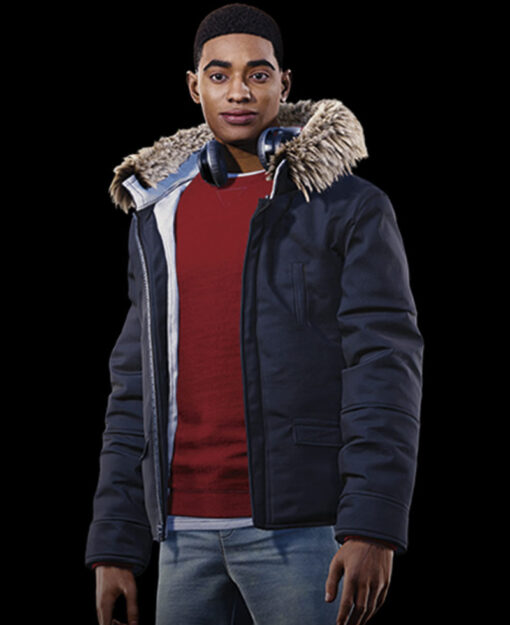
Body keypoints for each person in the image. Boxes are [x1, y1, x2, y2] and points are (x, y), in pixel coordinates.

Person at [85, 4, 424, 625]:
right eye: (219, 75)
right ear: (195, 87)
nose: (238, 91)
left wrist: (373, 525)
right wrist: (115, 542)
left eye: (258, 74)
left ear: (284, 84)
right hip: (180, 534)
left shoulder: (349, 206)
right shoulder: (157, 213)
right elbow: (133, 384)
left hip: (306, 531)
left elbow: (385, 365)